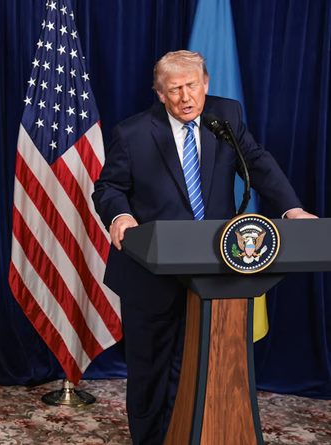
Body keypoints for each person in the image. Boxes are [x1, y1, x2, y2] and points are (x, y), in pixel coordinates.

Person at [92, 50, 316, 445]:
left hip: (215, 270)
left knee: (200, 366)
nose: (185, 97)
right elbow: (109, 187)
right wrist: (121, 216)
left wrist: (292, 209)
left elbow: (257, 162)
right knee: (151, 370)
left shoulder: (225, 117)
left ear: (206, 84)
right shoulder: (133, 133)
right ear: (160, 93)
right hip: (151, 272)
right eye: (174, 89)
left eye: (192, 85)